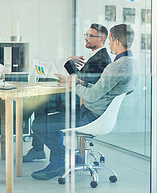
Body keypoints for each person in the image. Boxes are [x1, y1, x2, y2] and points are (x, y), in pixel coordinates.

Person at [29, 24, 137, 180]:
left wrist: (72, 85)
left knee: (39, 124)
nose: (109, 43)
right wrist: (77, 82)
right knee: (49, 119)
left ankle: (69, 159)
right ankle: (65, 159)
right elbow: (101, 89)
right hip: (100, 113)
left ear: (117, 42)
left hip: (91, 115)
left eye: (111, 40)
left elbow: (92, 96)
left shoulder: (115, 67)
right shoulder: (130, 63)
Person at [23, 23, 112, 163]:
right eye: (86, 35)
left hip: (82, 104)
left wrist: (68, 64)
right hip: (79, 98)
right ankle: (38, 149)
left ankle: (38, 145)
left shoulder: (100, 59)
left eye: (90, 36)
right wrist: (69, 62)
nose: (86, 38)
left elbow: (81, 83)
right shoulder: (97, 56)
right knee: (40, 104)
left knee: (40, 103)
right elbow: (81, 80)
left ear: (101, 38)